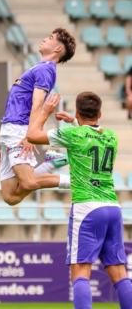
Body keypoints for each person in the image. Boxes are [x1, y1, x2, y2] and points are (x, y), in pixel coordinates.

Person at [26, 92, 132, 309]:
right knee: (120, 274)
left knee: (80, 273)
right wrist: (74, 122)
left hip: (87, 208)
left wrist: (46, 112)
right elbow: (90, 134)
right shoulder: (111, 135)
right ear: (100, 113)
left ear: (77, 112)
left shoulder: (73, 135)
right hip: (112, 207)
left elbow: (32, 135)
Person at [0, 28, 76, 206]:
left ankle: (79, 183)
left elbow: (38, 104)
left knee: (28, 182)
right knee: (11, 196)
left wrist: (30, 135)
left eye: (50, 38)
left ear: (57, 49)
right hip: (11, 129)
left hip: (20, 128)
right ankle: (52, 163)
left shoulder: (46, 70)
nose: (45, 40)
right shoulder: (39, 67)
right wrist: (9, 146)